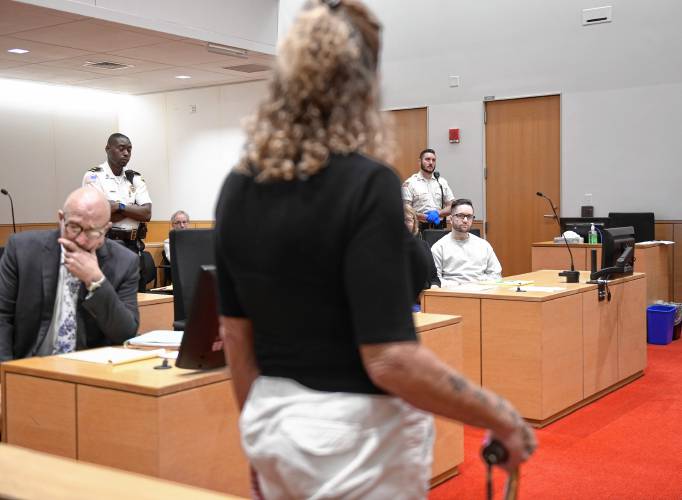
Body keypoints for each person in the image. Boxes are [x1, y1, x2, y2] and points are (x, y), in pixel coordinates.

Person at [214, 2, 535, 499]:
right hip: (351, 439)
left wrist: (258, 439)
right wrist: (501, 416)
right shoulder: (368, 184)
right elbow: (389, 358)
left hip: (270, 421)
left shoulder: (237, 187)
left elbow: (236, 340)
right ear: (362, 86)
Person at [0, 187, 139, 361]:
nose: (81, 239)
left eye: (92, 231)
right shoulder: (22, 250)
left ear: (106, 229)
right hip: (29, 367)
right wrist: (5, 376)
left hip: (90, 374)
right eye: (74, 227)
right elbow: (2, 316)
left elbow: (125, 333)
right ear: (61, 219)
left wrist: (96, 281)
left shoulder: (125, 262)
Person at [82, 133, 152, 255]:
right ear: (107, 149)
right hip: (106, 244)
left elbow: (146, 214)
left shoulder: (135, 177)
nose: (126, 153)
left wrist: (119, 207)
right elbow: (96, 217)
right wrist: (133, 210)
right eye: (121, 149)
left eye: (129, 149)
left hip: (133, 245)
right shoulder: (94, 176)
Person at [431, 198, 502, 286]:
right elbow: (435, 281)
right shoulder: (439, 247)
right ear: (451, 219)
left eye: (469, 216)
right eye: (460, 215)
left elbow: (496, 275)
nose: (465, 220)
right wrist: (459, 285)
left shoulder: (484, 245)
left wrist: (478, 283)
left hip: (481, 293)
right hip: (452, 294)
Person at [402, 148, 455, 231]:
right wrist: (424, 217)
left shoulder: (441, 182)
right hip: (418, 228)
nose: (431, 163)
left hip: (438, 227)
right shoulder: (410, 183)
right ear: (420, 161)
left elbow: (452, 206)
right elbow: (405, 209)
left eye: (433, 160)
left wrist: (438, 213)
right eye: (427, 159)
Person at [404, 204, 440, 292]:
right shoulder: (385, 248)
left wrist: (434, 287)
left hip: (424, 298)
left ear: (414, 223)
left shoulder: (423, 245)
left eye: (408, 220)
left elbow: (434, 278)